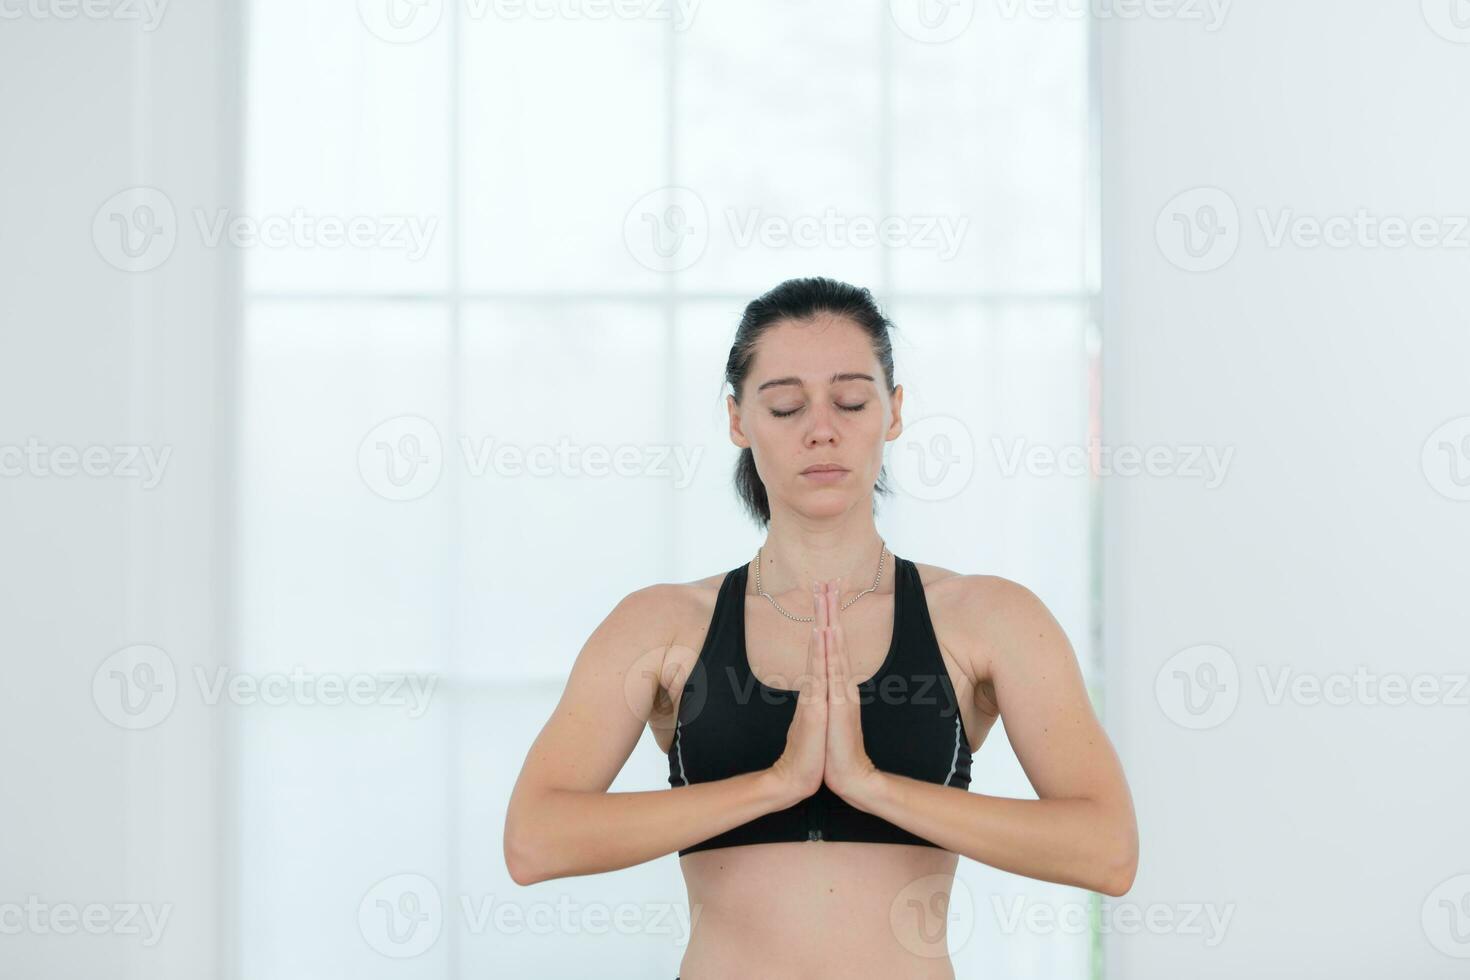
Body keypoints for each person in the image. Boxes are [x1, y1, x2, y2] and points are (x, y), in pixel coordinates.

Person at [503, 276, 1138, 978]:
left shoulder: (987, 619)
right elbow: (535, 841)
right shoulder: (662, 625)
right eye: (784, 405)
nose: (821, 428)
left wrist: (872, 785)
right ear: (738, 421)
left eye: (851, 400)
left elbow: (1107, 849)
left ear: (893, 412)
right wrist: (775, 784)